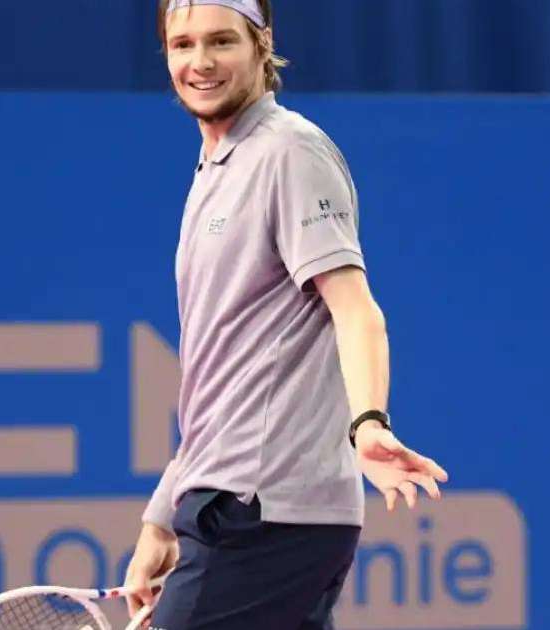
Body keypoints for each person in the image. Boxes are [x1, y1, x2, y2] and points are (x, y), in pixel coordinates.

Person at [123, 1, 450, 628]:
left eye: (220, 41)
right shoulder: (217, 168)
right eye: (182, 44)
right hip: (235, 504)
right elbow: (225, 373)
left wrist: (368, 424)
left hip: (264, 512)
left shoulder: (290, 153)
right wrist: (164, 514)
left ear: (261, 43)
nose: (200, 62)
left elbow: (356, 311)